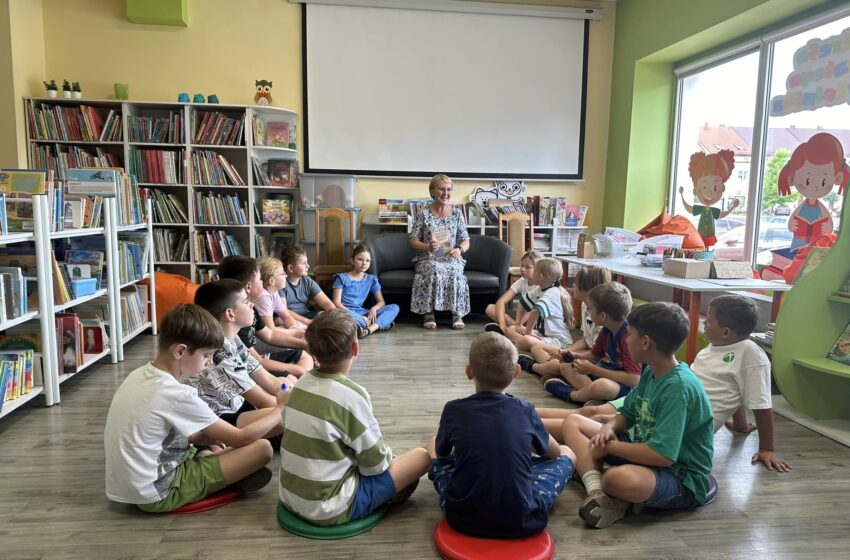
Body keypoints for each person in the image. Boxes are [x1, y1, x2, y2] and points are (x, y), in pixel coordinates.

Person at [104, 304, 286, 513]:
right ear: (180, 351)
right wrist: (280, 407)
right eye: (207, 355)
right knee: (262, 449)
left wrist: (195, 439)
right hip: (159, 491)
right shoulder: (177, 393)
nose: (209, 363)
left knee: (225, 445)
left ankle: (214, 463)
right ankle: (225, 472)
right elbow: (241, 438)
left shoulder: (138, 375)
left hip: (132, 486)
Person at [562, 302, 714, 529]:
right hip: (645, 451)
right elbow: (628, 414)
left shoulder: (678, 388)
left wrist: (608, 448)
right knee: (573, 421)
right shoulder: (651, 370)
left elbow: (663, 456)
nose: (625, 339)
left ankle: (605, 485)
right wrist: (609, 428)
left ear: (645, 342)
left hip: (681, 477)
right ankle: (596, 491)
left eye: (629, 334)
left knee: (617, 479)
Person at [279, 309, 431, 525]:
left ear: (311, 350)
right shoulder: (353, 395)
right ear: (355, 348)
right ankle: (379, 500)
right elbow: (376, 465)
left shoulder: (300, 383)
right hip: (329, 508)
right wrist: (388, 459)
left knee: (384, 457)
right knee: (421, 457)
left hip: (290, 497)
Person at [427, 332, 575, 539]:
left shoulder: (453, 410)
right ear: (516, 372)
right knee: (568, 453)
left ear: (469, 372)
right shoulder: (525, 409)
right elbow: (555, 452)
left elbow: (442, 455)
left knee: (432, 443)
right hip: (525, 519)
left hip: (461, 516)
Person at [693, 295, 791, 472]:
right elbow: (732, 385)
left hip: (692, 425)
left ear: (726, 332)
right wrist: (740, 425)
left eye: (708, 321)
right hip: (683, 404)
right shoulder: (716, 345)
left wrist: (766, 449)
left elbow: (762, 406)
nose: (704, 324)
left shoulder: (750, 354)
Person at [183, 280, 297, 431]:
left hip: (238, 403)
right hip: (218, 419)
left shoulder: (233, 339)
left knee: (284, 383)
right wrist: (301, 408)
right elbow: (263, 402)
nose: (252, 305)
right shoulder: (219, 353)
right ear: (230, 314)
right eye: (246, 302)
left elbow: (269, 379)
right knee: (286, 417)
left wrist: (289, 391)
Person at [537, 282, 641, 404]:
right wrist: (572, 355)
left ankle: (572, 395)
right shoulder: (607, 329)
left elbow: (634, 379)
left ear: (603, 316)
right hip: (606, 372)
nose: (588, 312)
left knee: (602, 386)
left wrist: (593, 370)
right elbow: (594, 356)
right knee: (565, 366)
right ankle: (590, 396)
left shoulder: (628, 337)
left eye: (590, 309)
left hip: (626, 387)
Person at [218, 255, 312, 377]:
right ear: (248, 286)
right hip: (251, 368)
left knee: (305, 357)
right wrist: (293, 368)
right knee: (291, 377)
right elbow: (256, 361)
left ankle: (294, 380)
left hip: (256, 362)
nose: (263, 282)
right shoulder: (238, 320)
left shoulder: (250, 307)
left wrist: (304, 344)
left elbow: (270, 335)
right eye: (260, 279)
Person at [409, 174, 470, 330]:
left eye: (448, 189)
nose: (445, 193)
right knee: (433, 269)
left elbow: (466, 240)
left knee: (455, 270)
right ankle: (428, 313)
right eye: (441, 189)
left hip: (450, 257)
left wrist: (459, 249)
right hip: (428, 257)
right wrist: (428, 247)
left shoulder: (457, 213)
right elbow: (413, 240)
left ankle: (457, 313)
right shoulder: (423, 213)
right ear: (432, 191)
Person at [777, 132, 849, 250]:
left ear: (838, 178)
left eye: (823, 182)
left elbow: (829, 225)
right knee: (798, 258)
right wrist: (792, 225)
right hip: (799, 241)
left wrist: (827, 228)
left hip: (817, 243)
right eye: (808, 181)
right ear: (792, 178)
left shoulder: (821, 208)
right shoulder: (802, 206)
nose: (815, 187)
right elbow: (792, 223)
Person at [505, 257, 574, 354]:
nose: (533, 273)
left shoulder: (552, 293)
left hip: (559, 341)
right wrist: (518, 324)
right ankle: (522, 343)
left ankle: (521, 344)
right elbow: (521, 302)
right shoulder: (540, 288)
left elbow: (535, 311)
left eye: (535, 271)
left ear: (541, 277)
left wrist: (528, 333)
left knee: (526, 340)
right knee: (511, 329)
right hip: (543, 335)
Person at [331, 245, 399, 338]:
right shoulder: (341, 278)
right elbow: (336, 303)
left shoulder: (371, 279)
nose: (364, 263)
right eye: (360, 259)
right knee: (344, 320)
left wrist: (373, 309)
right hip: (344, 312)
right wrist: (356, 316)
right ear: (352, 261)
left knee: (394, 307)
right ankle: (380, 324)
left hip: (362, 312)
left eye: (367, 260)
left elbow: (381, 301)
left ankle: (369, 329)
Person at [678, 149, 740, 248]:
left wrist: (732, 207)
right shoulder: (701, 209)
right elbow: (689, 208)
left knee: (706, 247)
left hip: (709, 235)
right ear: (696, 188)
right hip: (701, 235)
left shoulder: (712, 211)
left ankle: (705, 251)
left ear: (722, 188)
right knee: (702, 245)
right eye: (704, 187)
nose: (709, 192)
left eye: (715, 188)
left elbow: (721, 214)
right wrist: (682, 196)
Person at [483, 250, 543, 335]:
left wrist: (518, 324)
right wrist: (502, 324)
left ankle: (515, 330)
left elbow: (535, 311)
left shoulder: (541, 286)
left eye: (527, 267)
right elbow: (501, 302)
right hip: (520, 321)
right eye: (522, 265)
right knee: (490, 308)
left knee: (535, 316)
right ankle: (511, 330)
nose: (522, 269)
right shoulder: (522, 281)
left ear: (537, 270)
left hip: (535, 320)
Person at [278, 245, 335, 325]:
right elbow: (284, 311)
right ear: (291, 268)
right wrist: (308, 322)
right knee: (281, 321)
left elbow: (326, 302)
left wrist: (335, 316)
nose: (308, 266)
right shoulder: (280, 282)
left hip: (305, 315)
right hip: (288, 318)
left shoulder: (307, 280)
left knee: (324, 314)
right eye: (304, 263)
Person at [568, 265, 612, 353]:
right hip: (589, 352)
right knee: (538, 348)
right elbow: (586, 340)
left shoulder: (602, 315)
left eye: (577, 283)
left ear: (590, 288)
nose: (573, 285)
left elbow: (599, 355)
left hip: (598, 358)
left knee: (558, 364)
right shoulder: (585, 305)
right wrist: (564, 351)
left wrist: (570, 354)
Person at [256, 256, 303, 331]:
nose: (286, 276)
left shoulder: (274, 292)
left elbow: (286, 316)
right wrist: (292, 332)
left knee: (299, 326)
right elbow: (270, 329)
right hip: (261, 335)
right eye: (282, 274)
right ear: (272, 281)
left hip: (270, 330)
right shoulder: (263, 296)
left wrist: (293, 327)